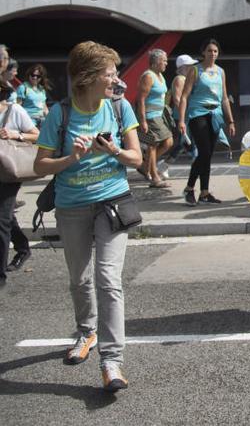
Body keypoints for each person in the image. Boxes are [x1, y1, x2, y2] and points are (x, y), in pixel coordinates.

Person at [33, 41, 143, 391]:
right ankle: (87, 332)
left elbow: (137, 159)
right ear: (88, 77)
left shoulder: (120, 107)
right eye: (109, 73)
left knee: (108, 279)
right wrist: (72, 159)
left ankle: (112, 362)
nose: (115, 79)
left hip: (112, 202)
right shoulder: (60, 114)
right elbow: (39, 166)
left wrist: (113, 149)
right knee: (79, 279)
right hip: (72, 205)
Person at [177, 39, 236, 206]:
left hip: (215, 114)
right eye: (209, 50)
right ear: (203, 52)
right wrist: (182, 120)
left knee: (207, 155)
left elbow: (224, 98)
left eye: (215, 51)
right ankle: (189, 188)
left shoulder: (221, 72)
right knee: (203, 152)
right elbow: (184, 96)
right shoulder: (196, 70)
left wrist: (230, 121)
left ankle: (204, 192)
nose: (212, 54)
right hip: (198, 113)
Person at [0, 83, 39, 288]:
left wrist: (15, 135)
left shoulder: (14, 110)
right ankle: (23, 247)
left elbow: (37, 135)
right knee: (4, 217)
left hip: (7, 172)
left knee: (1, 221)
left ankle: (1, 277)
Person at [135, 49, 173, 188]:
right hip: (150, 116)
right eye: (164, 60)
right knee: (152, 145)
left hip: (159, 115)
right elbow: (141, 100)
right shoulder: (148, 76)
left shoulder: (160, 75)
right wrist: (143, 120)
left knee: (168, 142)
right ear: (156, 62)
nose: (166, 63)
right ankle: (154, 177)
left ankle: (145, 166)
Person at [166, 54, 197, 162]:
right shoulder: (180, 79)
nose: (192, 68)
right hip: (181, 116)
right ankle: (197, 159)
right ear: (182, 67)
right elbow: (177, 99)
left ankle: (165, 164)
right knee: (185, 141)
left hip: (186, 115)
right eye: (189, 66)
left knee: (184, 141)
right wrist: (183, 117)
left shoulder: (186, 79)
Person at [12, 64, 51, 128]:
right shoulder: (23, 88)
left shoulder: (42, 89)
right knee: (34, 136)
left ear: (41, 78)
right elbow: (17, 107)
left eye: (38, 76)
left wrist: (49, 119)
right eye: (33, 75)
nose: (35, 77)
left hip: (42, 120)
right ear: (29, 75)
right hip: (29, 120)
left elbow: (44, 107)